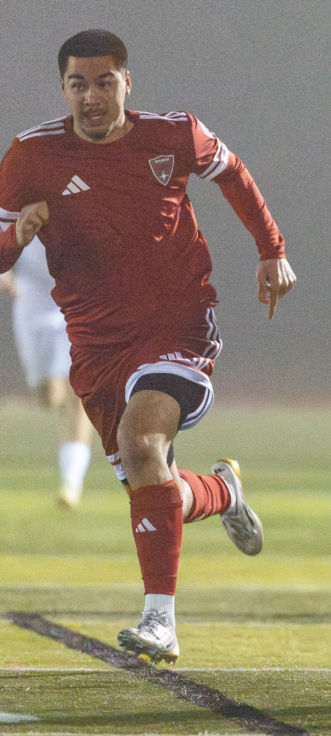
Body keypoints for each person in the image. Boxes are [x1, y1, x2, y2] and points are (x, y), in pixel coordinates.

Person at [0, 30, 296, 663]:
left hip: (177, 324)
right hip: (96, 345)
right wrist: (16, 238)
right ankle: (222, 491)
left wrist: (271, 249)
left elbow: (232, 173)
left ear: (127, 83)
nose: (92, 96)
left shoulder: (173, 134)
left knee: (142, 443)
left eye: (104, 81)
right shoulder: (30, 155)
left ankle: (160, 621)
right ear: (63, 90)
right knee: (151, 481)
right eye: (78, 84)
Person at [0, 236, 92, 508]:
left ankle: (71, 483)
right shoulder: (20, 204)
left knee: (79, 391)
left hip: (78, 296)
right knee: (49, 396)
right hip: (33, 296)